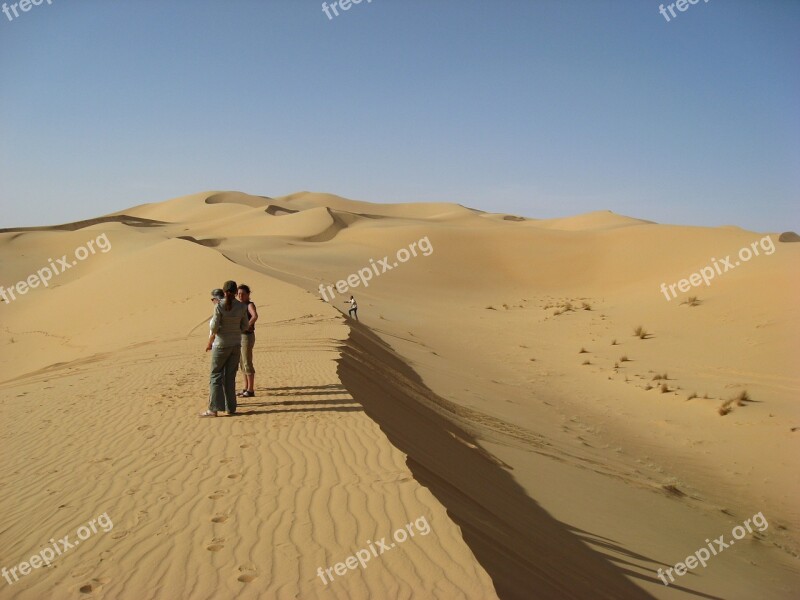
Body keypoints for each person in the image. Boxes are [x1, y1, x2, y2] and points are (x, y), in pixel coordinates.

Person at [200, 281, 250, 417]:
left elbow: (214, 327)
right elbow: (245, 325)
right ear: (235, 292)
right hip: (235, 344)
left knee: (215, 376)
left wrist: (223, 330)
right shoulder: (241, 306)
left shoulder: (219, 306)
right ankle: (230, 407)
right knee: (230, 377)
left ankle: (214, 409)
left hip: (221, 345)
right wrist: (235, 331)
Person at [236, 284, 259, 398]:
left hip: (247, 336)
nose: (240, 295)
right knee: (242, 362)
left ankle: (250, 390)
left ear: (248, 294)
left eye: (243, 294)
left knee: (247, 362)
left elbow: (255, 316)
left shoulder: (249, 305)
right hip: (240, 336)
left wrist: (247, 325)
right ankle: (245, 387)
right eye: (238, 293)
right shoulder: (239, 305)